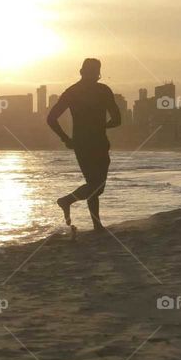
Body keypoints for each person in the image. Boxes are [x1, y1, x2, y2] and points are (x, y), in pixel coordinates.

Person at [46, 58, 121, 232]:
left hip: (82, 143)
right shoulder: (103, 90)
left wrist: (66, 139)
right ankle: (71, 204)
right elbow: (117, 120)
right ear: (97, 73)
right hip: (97, 142)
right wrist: (102, 125)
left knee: (95, 184)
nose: (94, 75)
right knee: (97, 185)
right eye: (94, 72)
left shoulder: (72, 91)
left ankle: (93, 222)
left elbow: (51, 119)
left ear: (81, 71)